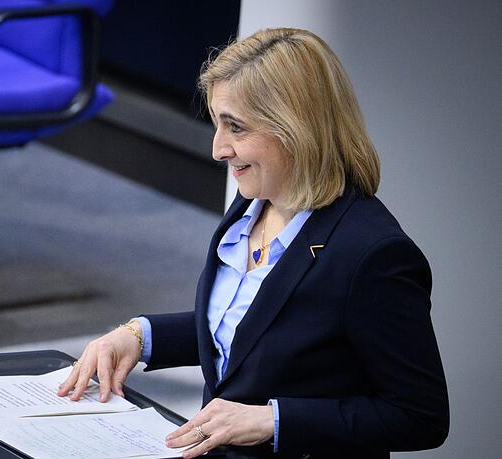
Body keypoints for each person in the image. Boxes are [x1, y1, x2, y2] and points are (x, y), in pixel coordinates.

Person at [57, 28, 449, 458]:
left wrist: (273, 420)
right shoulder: (252, 204)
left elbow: (420, 416)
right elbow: (251, 333)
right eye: (216, 124)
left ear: (296, 128)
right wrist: (140, 335)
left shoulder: (374, 255)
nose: (217, 150)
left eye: (235, 127)